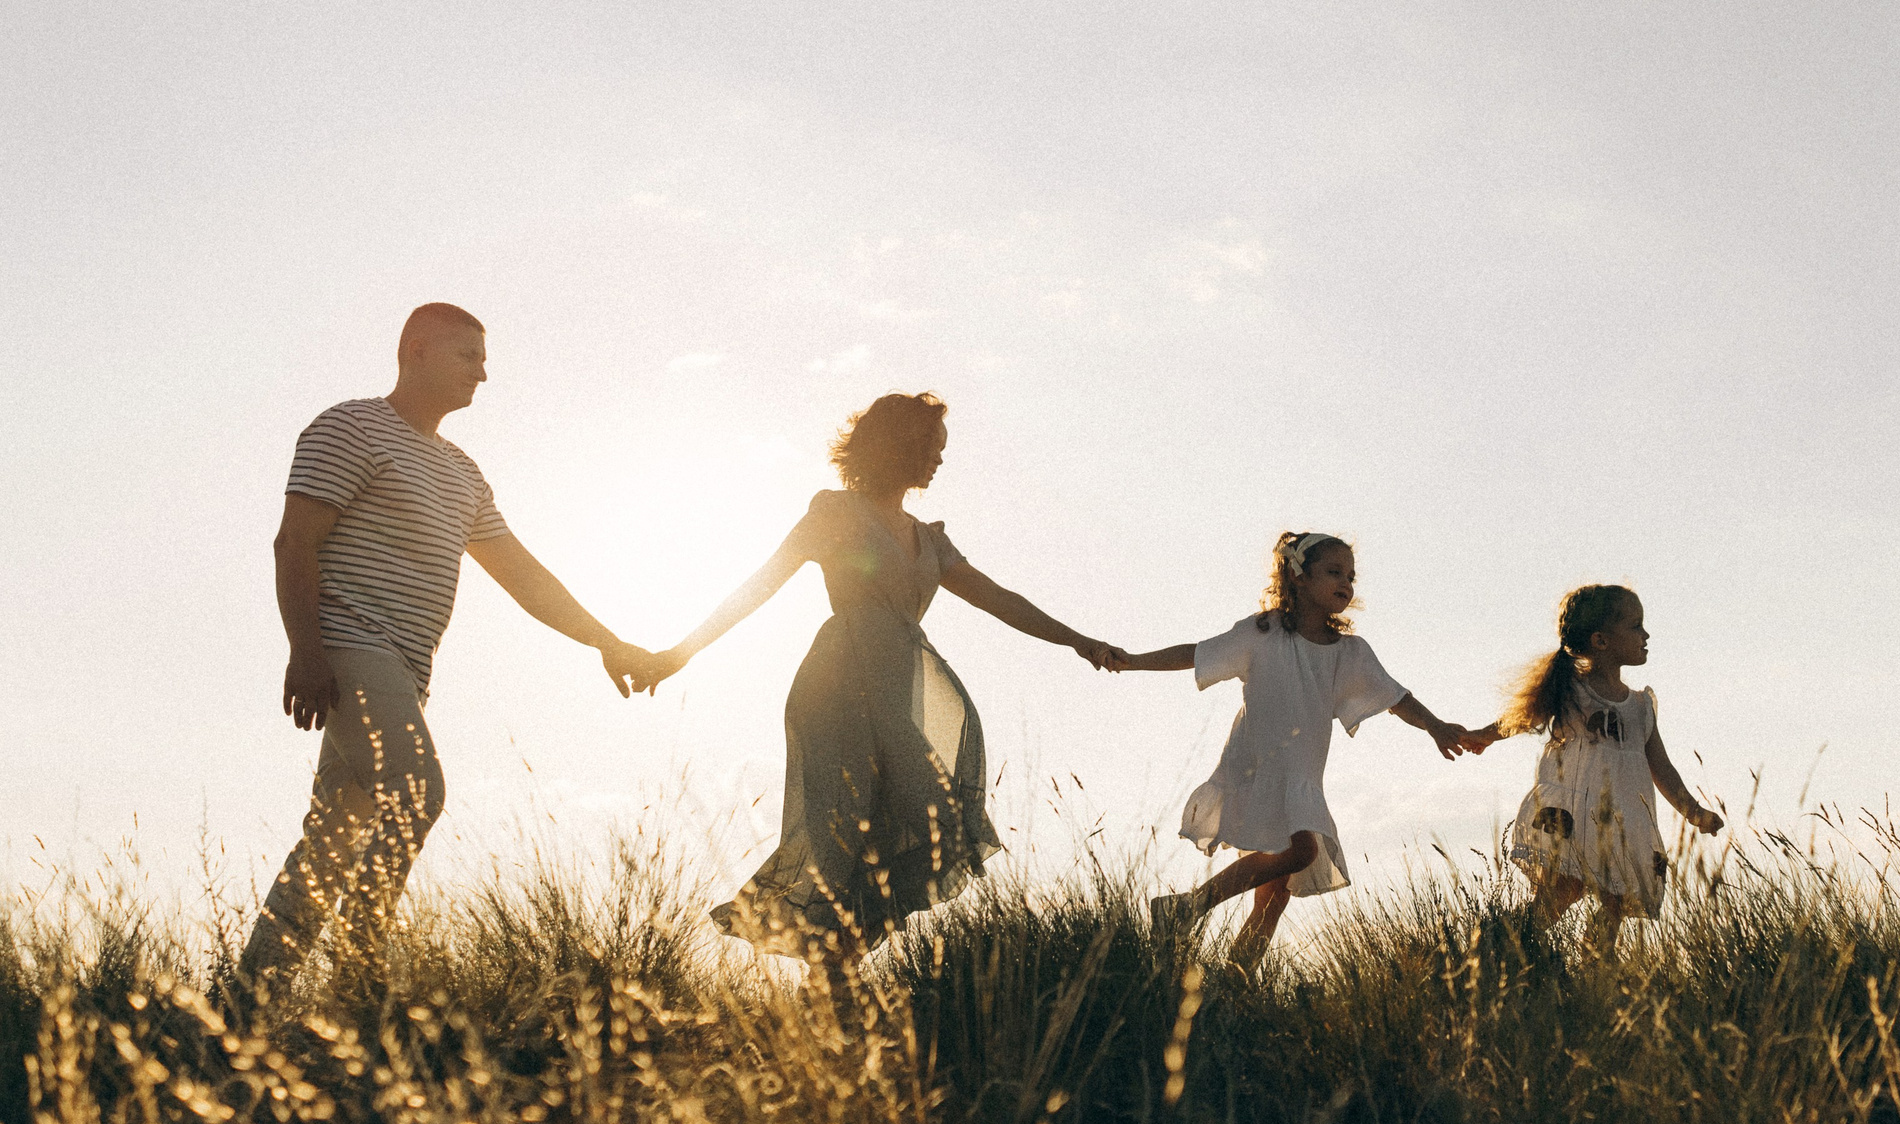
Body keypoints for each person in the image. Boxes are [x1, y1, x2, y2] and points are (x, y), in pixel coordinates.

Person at [238, 304, 652, 995]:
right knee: (418, 788)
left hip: (404, 668)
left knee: (332, 842)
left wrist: (604, 640)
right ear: (418, 350)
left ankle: (246, 997)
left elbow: (523, 576)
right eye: (468, 356)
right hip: (347, 644)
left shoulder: (462, 472)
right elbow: (294, 541)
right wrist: (305, 651)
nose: (483, 373)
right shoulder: (349, 427)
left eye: (484, 360)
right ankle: (358, 976)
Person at [640, 392, 1123, 984]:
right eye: (932, 448)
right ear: (900, 444)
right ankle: (834, 977)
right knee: (847, 836)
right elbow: (758, 586)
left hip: (900, 693)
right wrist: (677, 654)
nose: (940, 462)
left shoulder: (930, 537)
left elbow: (1000, 600)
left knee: (939, 831)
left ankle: (835, 960)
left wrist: (1078, 640)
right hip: (836, 688)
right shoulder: (834, 513)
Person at [1127, 532, 1472, 974]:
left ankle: (1237, 980)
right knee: (1302, 852)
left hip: (1303, 780)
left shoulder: (1350, 652)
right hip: (1259, 768)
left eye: (1350, 576)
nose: (1345, 583)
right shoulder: (1263, 633)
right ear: (1297, 576)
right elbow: (1197, 654)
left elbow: (1395, 697)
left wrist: (1436, 726)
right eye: (1333, 572)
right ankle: (1186, 907)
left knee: (1275, 897)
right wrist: (1133, 660)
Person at [1459, 584, 1722, 954]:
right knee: (1559, 893)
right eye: (1635, 626)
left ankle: (1598, 971)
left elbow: (1660, 765)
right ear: (1601, 640)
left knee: (1616, 903)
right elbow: (1523, 718)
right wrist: (1482, 737)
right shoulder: (1572, 690)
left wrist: (1694, 812)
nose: (1645, 635)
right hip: (1577, 816)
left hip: (1626, 822)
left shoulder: (1640, 706)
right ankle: (1502, 951)